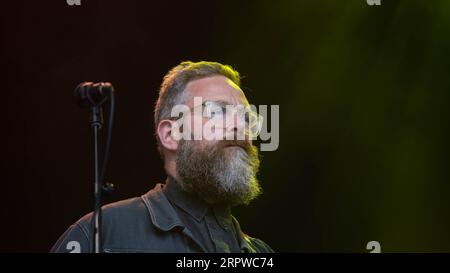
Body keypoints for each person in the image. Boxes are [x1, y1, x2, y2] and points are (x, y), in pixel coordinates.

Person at [51, 61, 273, 253]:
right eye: (217, 111)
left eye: (247, 117)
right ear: (170, 134)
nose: (239, 126)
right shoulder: (100, 235)